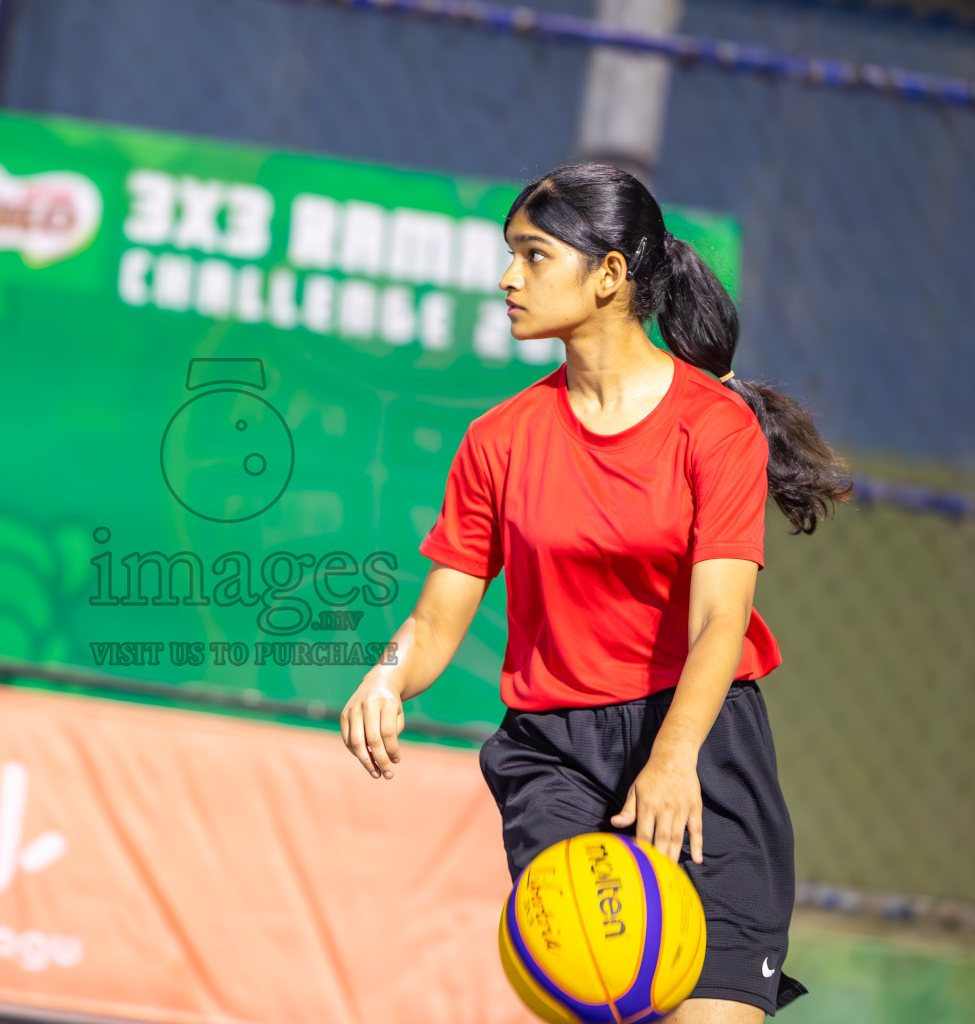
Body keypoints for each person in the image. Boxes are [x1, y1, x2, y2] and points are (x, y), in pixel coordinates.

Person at [340, 163, 850, 1021]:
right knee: (609, 999)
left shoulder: (713, 426)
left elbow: (722, 616)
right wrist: (388, 674)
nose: (508, 278)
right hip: (558, 757)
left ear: (609, 275)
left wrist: (674, 757)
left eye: (533, 257)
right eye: (510, 256)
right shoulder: (497, 440)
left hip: (699, 734)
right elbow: (434, 620)